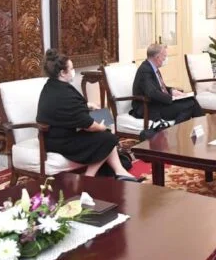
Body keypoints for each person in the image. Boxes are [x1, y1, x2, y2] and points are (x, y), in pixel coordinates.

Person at [36, 49, 143, 182]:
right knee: (108, 137)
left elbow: (66, 110)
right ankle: (89, 177)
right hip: (61, 141)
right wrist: (101, 127)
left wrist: (87, 106)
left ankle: (119, 170)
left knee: (104, 124)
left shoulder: (51, 86)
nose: (73, 71)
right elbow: (88, 125)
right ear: (63, 73)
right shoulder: (64, 94)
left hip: (55, 135)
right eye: (71, 68)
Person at [131, 44, 204, 124]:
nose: (165, 59)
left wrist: (172, 91)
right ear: (157, 57)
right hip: (149, 107)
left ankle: (203, 128)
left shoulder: (153, 68)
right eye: (164, 56)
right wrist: (172, 98)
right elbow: (152, 92)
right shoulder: (145, 70)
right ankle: (174, 132)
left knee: (191, 100)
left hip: (159, 103)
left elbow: (161, 87)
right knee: (190, 106)